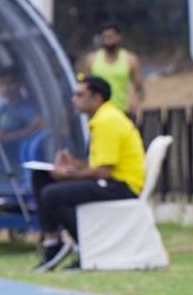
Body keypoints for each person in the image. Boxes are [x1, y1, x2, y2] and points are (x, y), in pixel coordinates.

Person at [32, 76, 145, 272]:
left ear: (96, 98)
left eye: (80, 95)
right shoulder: (102, 118)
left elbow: (103, 172)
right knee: (41, 176)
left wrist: (66, 176)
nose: (74, 99)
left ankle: (89, 249)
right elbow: (98, 164)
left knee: (52, 194)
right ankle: (52, 243)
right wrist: (73, 165)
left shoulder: (107, 121)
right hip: (111, 180)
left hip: (122, 187)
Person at [81, 22, 143, 118]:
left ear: (119, 37)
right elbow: (83, 87)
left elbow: (139, 88)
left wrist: (135, 103)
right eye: (105, 37)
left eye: (111, 36)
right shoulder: (91, 60)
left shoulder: (130, 60)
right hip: (97, 113)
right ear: (101, 39)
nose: (108, 40)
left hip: (122, 112)